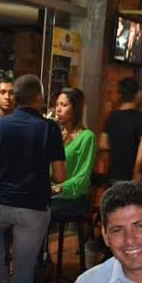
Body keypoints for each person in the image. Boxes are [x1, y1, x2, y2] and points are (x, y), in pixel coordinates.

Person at [0, 74, 66, 283]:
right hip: (33, 207)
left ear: (16, 98)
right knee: (23, 269)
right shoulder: (50, 128)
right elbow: (59, 176)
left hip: (0, 205)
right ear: (39, 98)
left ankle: (0, 275)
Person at [50, 88, 96, 217]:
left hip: (71, 197)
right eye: (57, 105)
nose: (58, 109)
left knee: (38, 210)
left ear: (76, 109)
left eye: (64, 105)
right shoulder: (56, 134)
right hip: (51, 193)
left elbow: (82, 177)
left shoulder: (87, 137)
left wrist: (58, 188)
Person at [99, 77, 142, 182]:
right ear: (138, 94)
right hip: (133, 176)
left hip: (113, 173)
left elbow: (102, 143)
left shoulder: (112, 116)